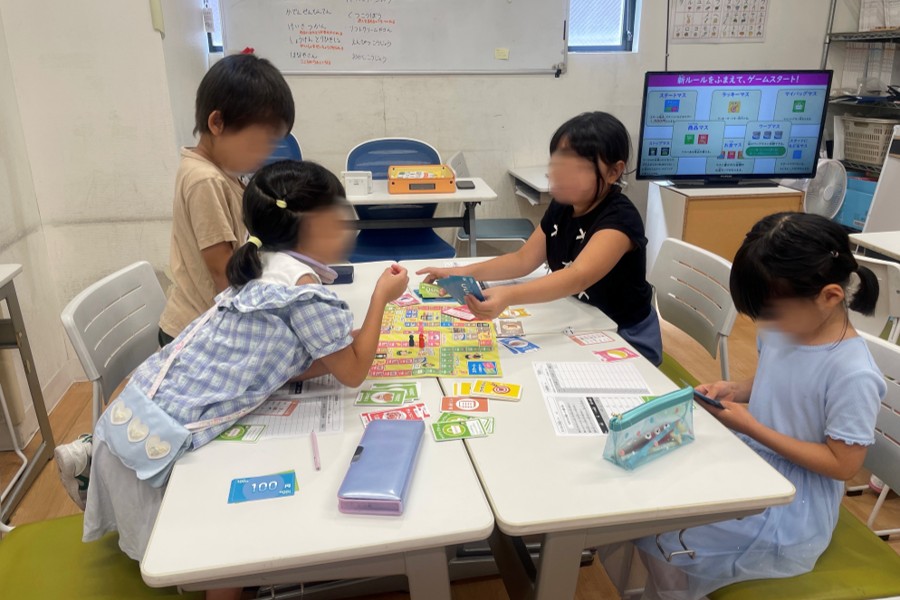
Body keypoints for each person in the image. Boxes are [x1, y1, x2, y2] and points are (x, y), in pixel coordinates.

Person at [71, 161, 408, 600]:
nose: (350, 228)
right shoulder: (305, 291)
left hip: (132, 411)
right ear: (311, 227)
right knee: (227, 536)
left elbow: (290, 360)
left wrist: (346, 344)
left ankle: (85, 459)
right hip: (158, 451)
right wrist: (381, 297)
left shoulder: (262, 264)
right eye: (340, 218)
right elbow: (354, 372)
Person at [635, 212, 885, 599]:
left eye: (772, 313)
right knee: (648, 496)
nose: (765, 325)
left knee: (661, 523)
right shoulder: (787, 329)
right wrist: (736, 389)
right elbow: (780, 378)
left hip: (792, 508)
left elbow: (843, 464)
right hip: (752, 465)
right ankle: (672, 587)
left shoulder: (853, 373)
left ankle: (676, 590)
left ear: (830, 297)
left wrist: (752, 426)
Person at [417, 111, 661, 364]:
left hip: (624, 335)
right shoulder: (563, 206)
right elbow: (523, 259)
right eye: (557, 164)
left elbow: (577, 277)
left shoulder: (620, 218)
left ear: (613, 172)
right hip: (582, 319)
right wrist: (460, 272)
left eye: (576, 168)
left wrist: (508, 296)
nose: (559, 175)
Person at [158, 52, 295, 347]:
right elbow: (223, 272)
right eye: (258, 143)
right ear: (217, 122)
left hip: (213, 320)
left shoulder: (224, 174)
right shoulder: (205, 180)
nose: (264, 155)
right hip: (195, 333)